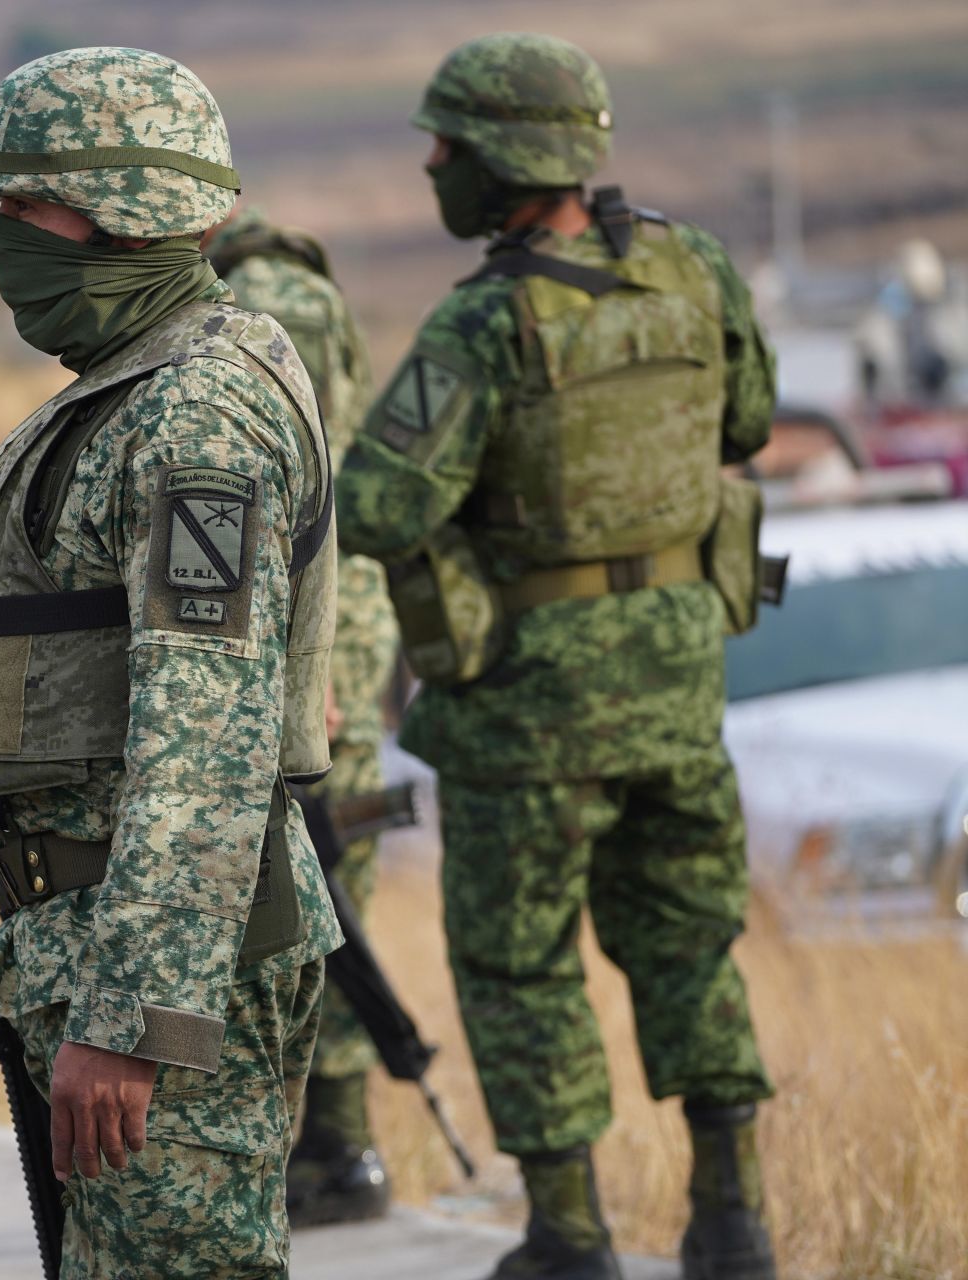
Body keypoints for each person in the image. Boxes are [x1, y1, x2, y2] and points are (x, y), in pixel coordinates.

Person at [333, 33, 778, 1280]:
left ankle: (570, 1237)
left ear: (503, 156)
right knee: (691, 941)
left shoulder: (482, 320)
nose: (433, 166)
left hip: (528, 711)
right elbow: (746, 420)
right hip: (681, 688)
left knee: (521, 963)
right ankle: (735, 1222)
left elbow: (376, 508)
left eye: (447, 145)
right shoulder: (696, 271)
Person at [0, 46, 343, 1277]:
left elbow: (205, 733)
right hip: (94, 936)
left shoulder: (195, 408)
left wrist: (138, 1019)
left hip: (157, 965)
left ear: (122, 208)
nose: (4, 240)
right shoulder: (130, 385)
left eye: (22, 205)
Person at [204, 204, 401, 1225]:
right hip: (341, 620)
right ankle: (339, 1143)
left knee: (302, 897)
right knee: (333, 886)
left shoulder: (260, 301)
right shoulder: (314, 295)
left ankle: (329, 1146)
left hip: (302, 619)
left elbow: (280, 478)